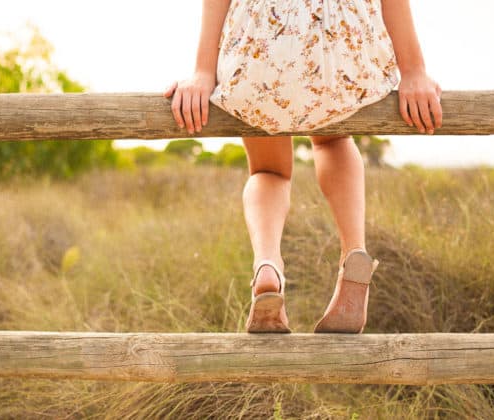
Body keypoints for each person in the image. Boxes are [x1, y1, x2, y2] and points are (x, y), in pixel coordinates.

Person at [163, 0, 442, 333]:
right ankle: (354, 252)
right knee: (333, 141)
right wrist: (414, 71)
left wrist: (202, 72)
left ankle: (267, 265)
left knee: (269, 172)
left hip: (262, 49)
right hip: (341, 49)